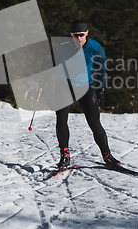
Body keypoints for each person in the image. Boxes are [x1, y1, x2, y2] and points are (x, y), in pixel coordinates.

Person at [55, 20, 120, 170]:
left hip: (86, 86)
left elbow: (102, 69)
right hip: (64, 86)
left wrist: (100, 89)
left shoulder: (95, 47)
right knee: (61, 118)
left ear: (87, 33)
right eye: (74, 35)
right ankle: (65, 156)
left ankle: (107, 156)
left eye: (81, 35)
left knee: (94, 122)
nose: (78, 38)